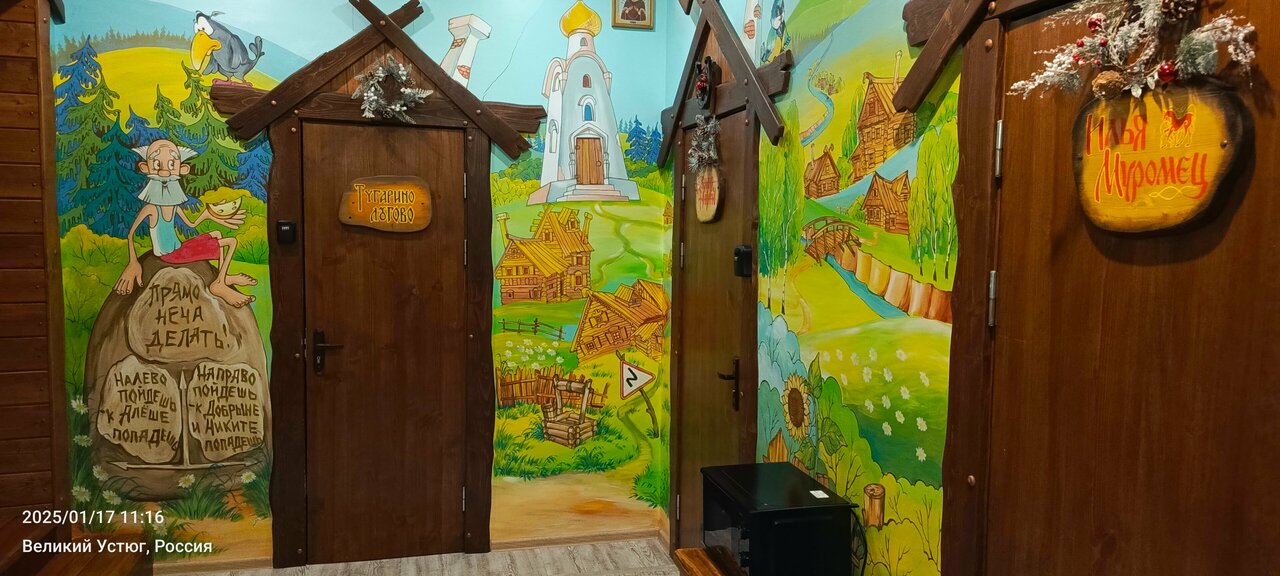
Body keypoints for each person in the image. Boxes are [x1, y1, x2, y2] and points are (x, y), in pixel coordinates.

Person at [114, 139, 256, 307]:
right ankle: (219, 284)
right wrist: (133, 262)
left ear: (182, 169)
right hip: (171, 255)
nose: (165, 171)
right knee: (231, 242)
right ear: (145, 168)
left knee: (217, 234)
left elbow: (191, 224)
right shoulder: (151, 208)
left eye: (171, 164)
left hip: (180, 248)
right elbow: (130, 234)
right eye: (157, 164)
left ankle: (223, 277)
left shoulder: (174, 205)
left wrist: (209, 215)